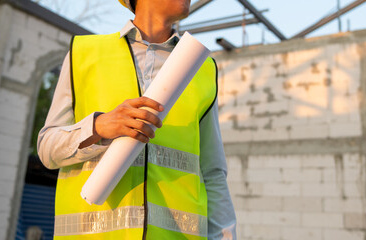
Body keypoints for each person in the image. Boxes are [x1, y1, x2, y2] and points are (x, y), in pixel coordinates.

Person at [37, 0, 237, 239]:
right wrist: (99, 126)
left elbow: (212, 172)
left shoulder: (202, 68)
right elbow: (47, 148)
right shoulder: (85, 53)